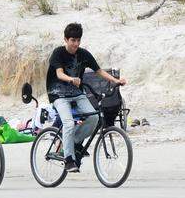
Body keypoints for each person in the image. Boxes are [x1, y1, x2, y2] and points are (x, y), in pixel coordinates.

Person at [45, 22, 128, 173]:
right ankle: (68, 159)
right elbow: (59, 74)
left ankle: (74, 142)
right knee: (69, 123)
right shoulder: (58, 53)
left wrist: (116, 81)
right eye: (73, 40)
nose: (76, 44)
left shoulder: (83, 54)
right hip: (58, 94)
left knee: (95, 118)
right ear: (66, 39)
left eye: (78, 40)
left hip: (77, 93)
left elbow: (99, 71)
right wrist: (71, 79)